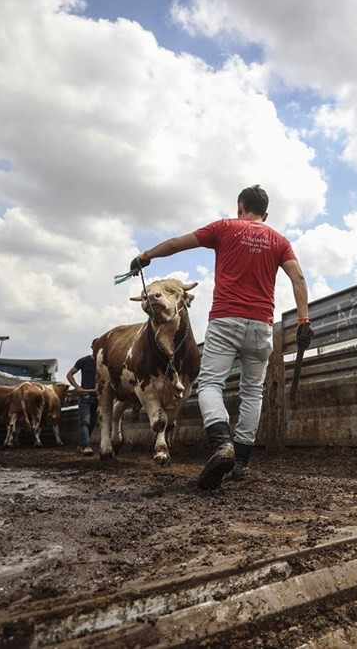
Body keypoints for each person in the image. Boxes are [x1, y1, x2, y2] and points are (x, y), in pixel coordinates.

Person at [128, 184, 313, 490]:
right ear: (265, 214)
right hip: (261, 326)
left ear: (239, 206)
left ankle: (221, 444)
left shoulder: (224, 228)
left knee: (210, 384)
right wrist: (303, 320)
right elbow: (299, 278)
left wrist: (146, 256)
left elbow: (176, 243)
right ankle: (240, 463)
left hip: (226, 320)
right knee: (253, 392)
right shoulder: (280, 241)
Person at [66, 350, 98, 456]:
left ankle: (82, 445)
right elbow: (70, 374)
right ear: (92, 347)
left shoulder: (102, 362)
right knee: (86, 421)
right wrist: (77, 387)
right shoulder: (83, 361)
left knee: (92, 422)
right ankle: (86, 446)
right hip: (85, 395)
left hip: (96, 395)